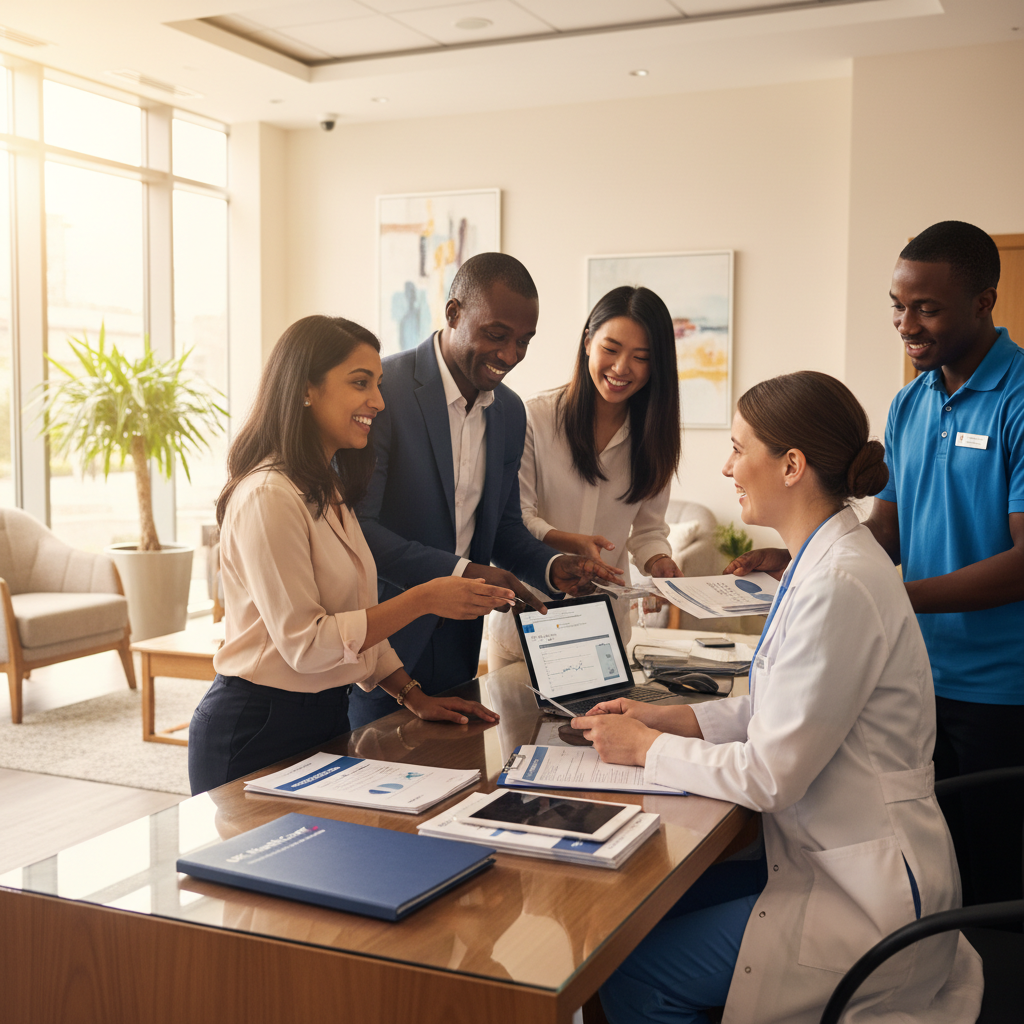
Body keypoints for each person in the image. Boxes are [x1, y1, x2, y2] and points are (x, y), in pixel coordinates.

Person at [571, 371, 982, 1024]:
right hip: (830, 862)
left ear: (791, 465)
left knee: (633, 976)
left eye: (739, 448)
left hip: (862, 899)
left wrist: (650, 749)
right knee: (635, 911)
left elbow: (770, 774)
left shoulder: (836, 585)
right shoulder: (822, 560)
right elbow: (784, 712)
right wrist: (668, 716)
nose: (727, 465)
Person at [730, 221, 1024, 908]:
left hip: (1002, 691)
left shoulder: (1017, 400)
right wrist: (802, 557)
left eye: (926, 307)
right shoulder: (908, 403)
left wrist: (897, 601)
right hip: (920, 678)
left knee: (994, 881)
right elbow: (884, 529)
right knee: (928, 867)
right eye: (897, 305)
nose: (906, 324)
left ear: (984, 302)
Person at [188, 315, 511, 795]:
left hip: (323, 718)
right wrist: (424, 599)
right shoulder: (267, 496)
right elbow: (308, 643)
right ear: (304, 390)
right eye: (361, 383)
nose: (379, 402)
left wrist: (412, 695)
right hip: (255, 728)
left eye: (378, 384)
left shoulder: (327, 490)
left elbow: (353, 622)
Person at [353, 253, 621, 728]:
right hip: (382, 648)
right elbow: (358, 531)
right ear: (453, 313)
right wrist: (464, 571)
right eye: (497, 335)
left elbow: (502, 528)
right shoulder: (384, 391)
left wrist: (552, 566)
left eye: (524, 341)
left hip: (458, 647)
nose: (511, 355)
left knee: (458, 783)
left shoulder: (509, 413)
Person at [487, 285, 682, 671]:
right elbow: (517, 518)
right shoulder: (536, 418)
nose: (622, 367)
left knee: (598, 732)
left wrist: (659, 561)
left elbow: (647, 531)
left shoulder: (655, 436)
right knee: (520, 733)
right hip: (529, 622)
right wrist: (569, 542)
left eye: (641, 357)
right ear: (588, 342)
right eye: (611, 349)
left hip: (603, 635)